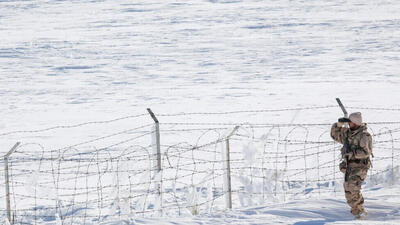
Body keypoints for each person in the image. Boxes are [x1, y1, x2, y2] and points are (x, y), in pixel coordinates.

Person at [330, 112, 372, 217]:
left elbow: (366, 152)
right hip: (350, 166)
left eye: (350, 122)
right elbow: (335, 135)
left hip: (360, 166)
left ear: (356, 123)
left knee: (353, 187)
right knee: (348, 188)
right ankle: (356, 211)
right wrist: (338, 125)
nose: (349, 124)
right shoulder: (348, 133)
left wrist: (352, 154)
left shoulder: (364, 135)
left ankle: (360, 211)